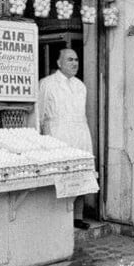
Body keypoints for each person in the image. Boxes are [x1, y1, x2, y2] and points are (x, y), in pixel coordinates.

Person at [38, 48, 93, 230]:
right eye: (70, 60)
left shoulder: (80, 86)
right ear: (59, 63)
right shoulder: (47, 84)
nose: (74, 63)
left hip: (80, 133)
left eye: (76, 60)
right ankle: (59, 218)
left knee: (82, 173)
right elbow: (39, 115)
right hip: (57, 135)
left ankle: (77, 216)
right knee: (59, 176)